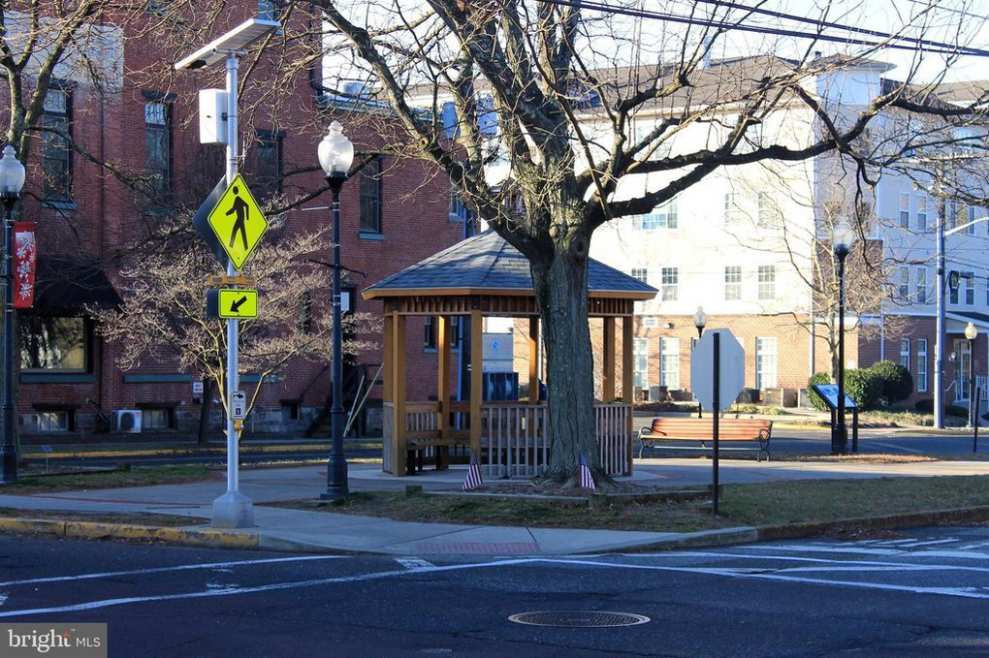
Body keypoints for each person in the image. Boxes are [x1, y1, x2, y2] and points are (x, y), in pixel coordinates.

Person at [227, 186, 251, 250]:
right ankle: (245, 247)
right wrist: (227, 213)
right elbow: (233, 209)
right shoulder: (237, 199)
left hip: (240, 219)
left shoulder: (238, 199)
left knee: (235, 230)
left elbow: (247, 205)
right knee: (242, 232)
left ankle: (231, 246)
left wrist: (247, 216)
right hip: (240, 218)